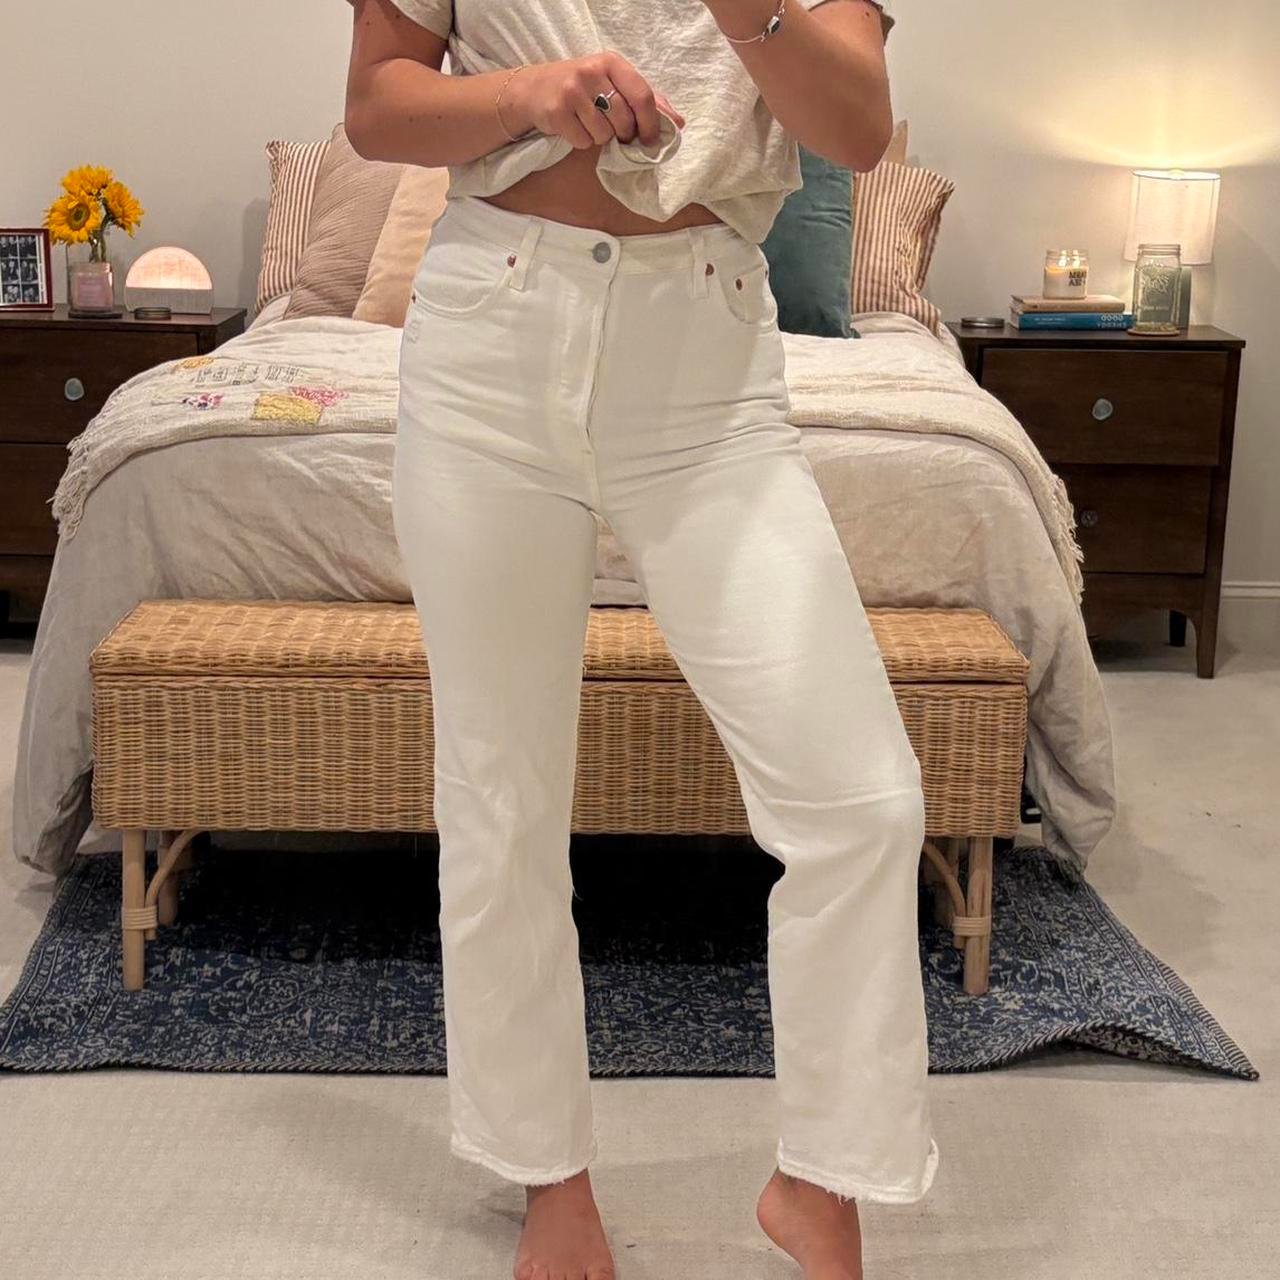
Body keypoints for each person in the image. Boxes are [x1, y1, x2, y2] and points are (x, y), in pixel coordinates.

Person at [344, 2, 936, 1276]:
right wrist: (530, 95)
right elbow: (378, 105)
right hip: (491, 342)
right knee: (501, 796)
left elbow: (856, 130)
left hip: (706, 360)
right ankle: (548, 1180)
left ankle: (822, 1180)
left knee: (862, 799)